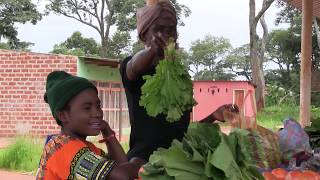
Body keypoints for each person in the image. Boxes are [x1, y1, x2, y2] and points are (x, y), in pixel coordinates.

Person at [120, 0, 239, 162]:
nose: (166, 35)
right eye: (159, 30)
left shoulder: (180, 77)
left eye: (171, 30)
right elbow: (133, 67)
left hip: (177, 162)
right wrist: (151, 51)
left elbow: (180, 132)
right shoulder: (134, 69)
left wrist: (212, 116)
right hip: (144, 163)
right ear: (143, 35)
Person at [36, 71, 144, 180]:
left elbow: (120, 165)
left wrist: (108, 133)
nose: (97, 113)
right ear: (63, 115)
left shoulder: (88, 148)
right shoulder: (63, 148)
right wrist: (137, 164)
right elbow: (121, 176)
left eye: (98, 106)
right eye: (87, 108)